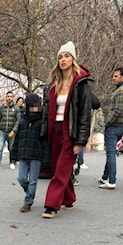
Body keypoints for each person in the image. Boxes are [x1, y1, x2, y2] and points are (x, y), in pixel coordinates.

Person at [41, 41, 93, 218]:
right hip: (54, 130)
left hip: (70, 131)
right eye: (61, 56)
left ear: (73, 59)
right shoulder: (53, 84)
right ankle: (69, 198)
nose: (63, 59)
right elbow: (47, 110)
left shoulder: (80, 83)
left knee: (62, 168)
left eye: (67, 56)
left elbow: (85, 113)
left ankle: (51, 205)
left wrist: (80, 141)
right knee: (59, 168)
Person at [98, 67, 123, 189]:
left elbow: (117, 110)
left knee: (111, 153)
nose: (113, 78)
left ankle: (112, 180)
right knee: (110, 152)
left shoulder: (122, 90)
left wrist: (108, 122)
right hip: (120, 125)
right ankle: (105, 177)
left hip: (115, 125)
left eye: (116, 76)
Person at [10, 94, 44, 212]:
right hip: (24, 154)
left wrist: (46, 156)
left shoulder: (41, 121)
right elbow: (18, 138)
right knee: (21, 178)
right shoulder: (23, 120)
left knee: (33, 180)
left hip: (36, 154)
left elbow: (45, 140)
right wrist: (13, 155)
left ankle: (28, 202)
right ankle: (29, 191)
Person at [0, 91, 20, 170]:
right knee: (0, 147)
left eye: (11, 96)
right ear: (6, 97)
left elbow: (18, 120)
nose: (9, 98)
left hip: (11, 130)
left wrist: (14, 130)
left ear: (13, 97)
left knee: (11, 148)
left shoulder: (16, 108)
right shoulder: (2, 108)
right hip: (2, 130)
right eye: (8, 96)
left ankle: (11, 162)